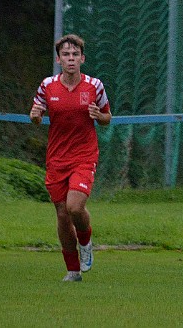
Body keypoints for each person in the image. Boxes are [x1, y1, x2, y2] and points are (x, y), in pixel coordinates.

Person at [29, 34, 111, 282]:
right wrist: (35, 116)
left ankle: (85, 242)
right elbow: (36, 115)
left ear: (82, 58)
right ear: (58, 59)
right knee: (63, 214)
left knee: (75, 206)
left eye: (75, 54)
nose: (71, 58)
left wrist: (99, 115)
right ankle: (73, 270)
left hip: (84, 156)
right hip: (56, 159)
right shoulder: (47, 86)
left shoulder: (94, 86)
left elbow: (108, 118)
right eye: (66, 54)